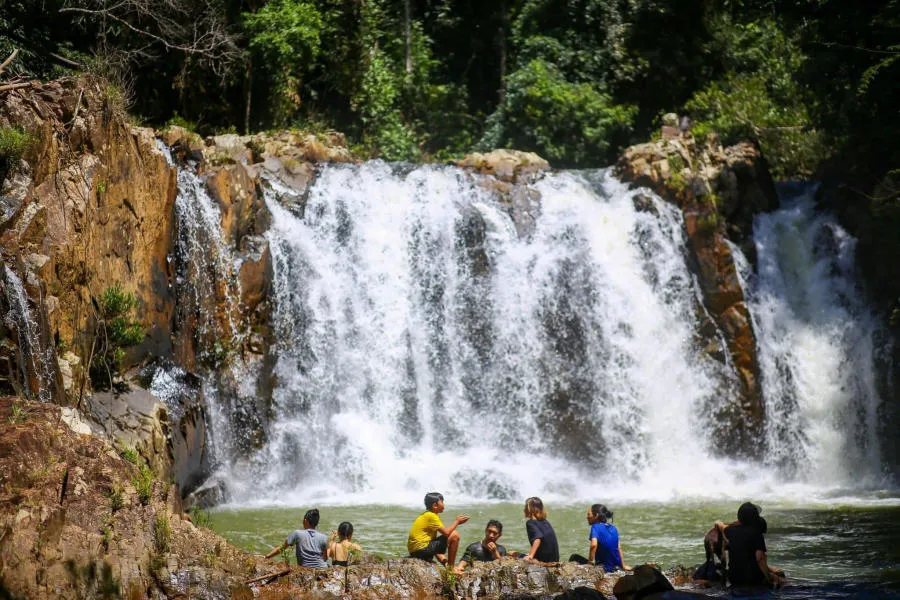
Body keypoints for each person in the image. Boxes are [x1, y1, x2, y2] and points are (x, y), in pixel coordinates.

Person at [724, 502, 785, 589]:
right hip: (752, 579)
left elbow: (724, 526)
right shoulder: (756, 533)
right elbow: (759, 559)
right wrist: (768, 578)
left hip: (733, 578)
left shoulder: (729, 531)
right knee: (780, 578)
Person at [407, 492, 470, 568]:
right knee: (454, 534)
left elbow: (434, 545)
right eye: (442, 502)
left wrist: (445, 562)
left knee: (435, 541)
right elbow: (447, 533)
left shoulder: (426, 515)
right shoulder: (432, 516)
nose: (444, 505)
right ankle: (452, 568)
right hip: (422, 550)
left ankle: (447, 566)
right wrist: (457, 522)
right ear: (435, 505)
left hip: (415, 551)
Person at [569, 504, 630, 571]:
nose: (587, 517)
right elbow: (619, 548)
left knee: (574, 557)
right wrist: (623, 566)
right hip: (617, 567)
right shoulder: (613, 528)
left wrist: (590, 563)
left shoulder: (595, 526)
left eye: (589, 514)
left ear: (596, 515)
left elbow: (593, 545)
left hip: (604, 568)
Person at [265, 508, 329, 568]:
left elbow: (282, 548)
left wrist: (267, 556)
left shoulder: (297, 533)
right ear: (317, 523)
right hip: (322, 567)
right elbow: (325, 558)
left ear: (305, 521)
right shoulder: (324, 537)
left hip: (306, 568)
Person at [522, 497, 559, 563]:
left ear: (530, 509)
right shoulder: (545, 521)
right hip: (554, 560)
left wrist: (531, 555)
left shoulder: (530, 522)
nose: (524, 509)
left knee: (511, 553)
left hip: (543, 560)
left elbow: (538, 539)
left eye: (525, 507)